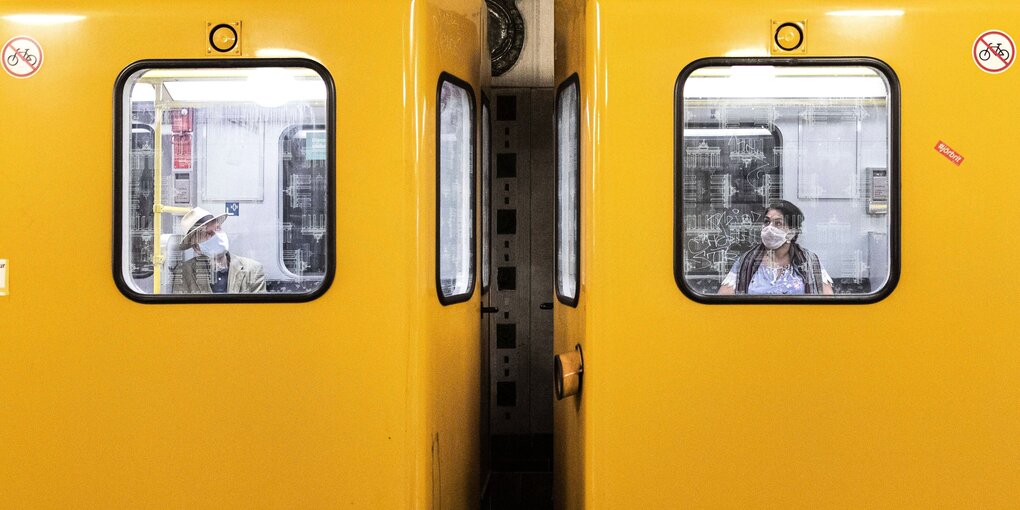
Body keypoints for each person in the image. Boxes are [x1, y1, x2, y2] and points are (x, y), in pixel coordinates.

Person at [718, 200, 834, 295]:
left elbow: (828, 305)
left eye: (778, 223)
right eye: (766, 222)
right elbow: (722, 302)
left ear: (792, 232)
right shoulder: (746, 261)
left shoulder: (810, 261)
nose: (769, 228)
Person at [172, 207, 266, 294]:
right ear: (197, 248)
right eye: (208, 234)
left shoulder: (253, 270)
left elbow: (257, 310)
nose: (217, 235)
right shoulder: (184, 273)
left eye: (218, 228)